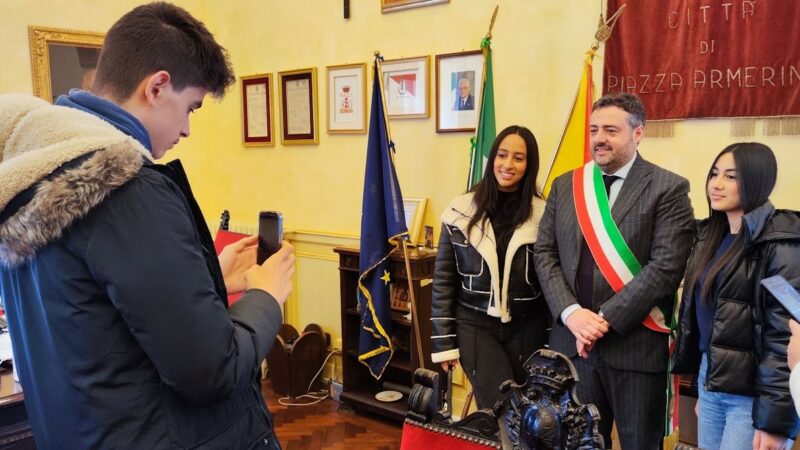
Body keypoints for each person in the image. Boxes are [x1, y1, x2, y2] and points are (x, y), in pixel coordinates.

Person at [0, 3, 293, 449]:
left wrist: (206, 270)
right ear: (157, 87)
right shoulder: (126, 189)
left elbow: (97, 321)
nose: (188, 129)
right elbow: (211, 371)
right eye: (191, 107)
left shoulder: (31, 176)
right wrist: (266, 297)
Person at [533, 92, 695, 449]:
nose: (599, 138)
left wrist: (601, 320)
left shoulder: (668, 188)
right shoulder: (566, 185)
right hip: (573, 349)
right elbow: (544, 253)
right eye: (594, 130)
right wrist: (572, 314)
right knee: (577, 443)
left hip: (635, 347)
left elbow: (665, 268)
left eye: (611, 130)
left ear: (638, 134)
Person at [672, 143, 800, 450]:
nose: (716, 184)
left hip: (752, 394)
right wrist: (707, 388)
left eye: (731, 176)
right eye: (714, 174)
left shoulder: (780, 242)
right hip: (711, 380)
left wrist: (775, 423)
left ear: (757, 180)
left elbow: (785, 337)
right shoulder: (708, 235)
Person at [431, 125, 549, 409]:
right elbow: (444, 282)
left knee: (531, 411)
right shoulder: (460, 211)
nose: (508, 165)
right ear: (492, 158)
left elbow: (551, 281)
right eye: (502, 155)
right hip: (475, 326)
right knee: (501, 409)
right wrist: (444, 342)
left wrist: (551, 341)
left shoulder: (545, 213)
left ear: (529, 164)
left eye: (518, 158)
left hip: (528, 329)